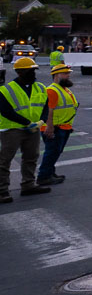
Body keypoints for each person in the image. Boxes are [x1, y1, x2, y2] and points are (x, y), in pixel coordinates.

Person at [0, 57, 50, 204]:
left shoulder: (40, 87)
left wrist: (42, 121)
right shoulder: (6, 90)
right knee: (4, 160)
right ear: (20, 72)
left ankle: (28, 184)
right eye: (30, 70)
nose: (33, 73)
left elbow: (45, 106)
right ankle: (2, 191)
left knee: (31, 156)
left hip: (33, 128)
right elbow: (6, 111)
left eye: (34, 70)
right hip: (12, 129)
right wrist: (27, 123)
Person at [38, 62, 79, 185]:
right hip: (55, 127)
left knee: (55, 151)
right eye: (65, 73)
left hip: (62, 126)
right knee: (52, 152)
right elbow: (49, 110)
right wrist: (49, 127)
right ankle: (43, 176)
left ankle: (50, 172)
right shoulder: (52, 90)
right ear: (56, 75)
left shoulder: (63, 89)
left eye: (68, 73)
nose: (68, 76)